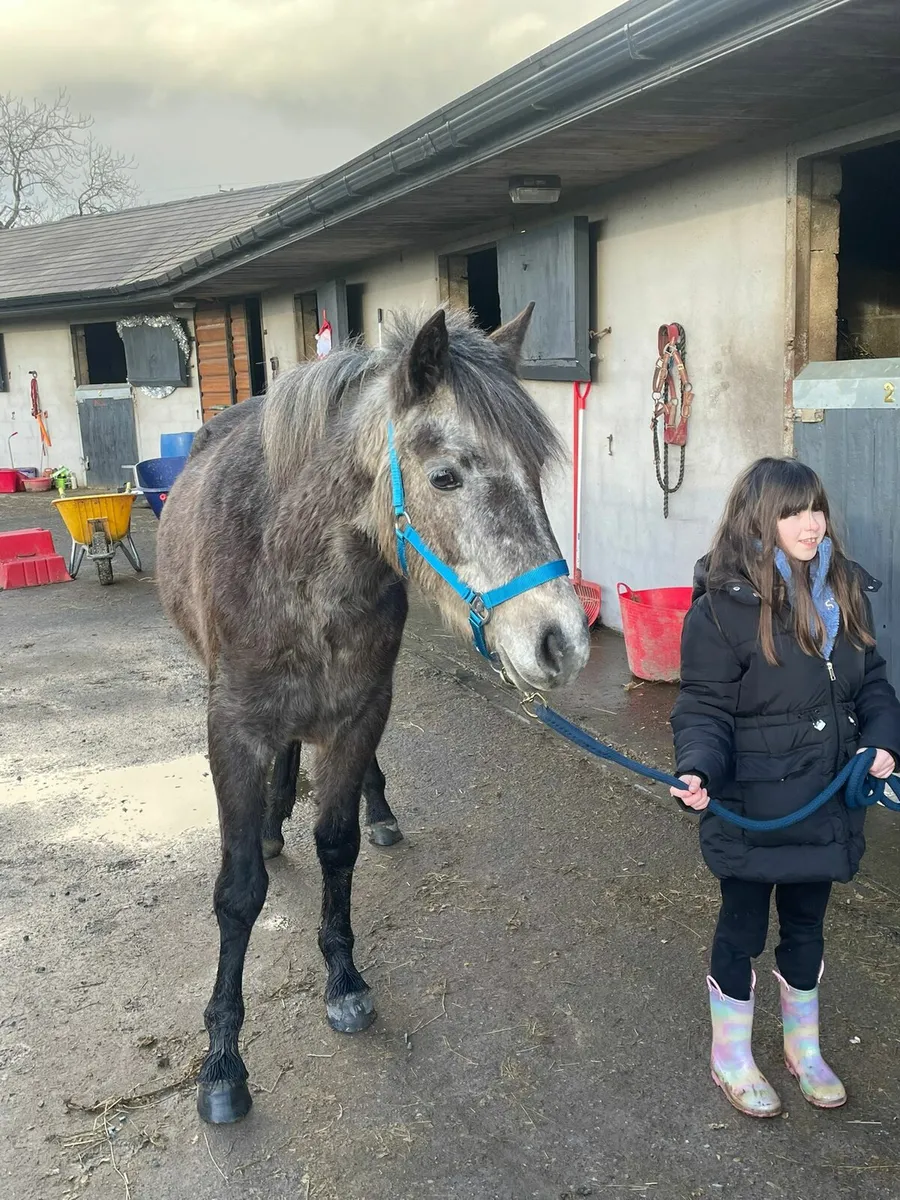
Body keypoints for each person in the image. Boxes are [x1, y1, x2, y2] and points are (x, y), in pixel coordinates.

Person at [669, 457, 900, 1118]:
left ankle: (804, 1048)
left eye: (816, 508)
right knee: (742, 925)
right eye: (792, 511)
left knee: (807, 926)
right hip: (752, 806)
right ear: (759, 519)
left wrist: (882, 741)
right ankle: (732, 1057)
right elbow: (703, 708)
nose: (810, 523)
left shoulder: (844, 586)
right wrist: (698, 768)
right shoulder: (721, 608)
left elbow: (874, 679)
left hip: (825, 799)